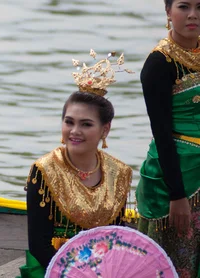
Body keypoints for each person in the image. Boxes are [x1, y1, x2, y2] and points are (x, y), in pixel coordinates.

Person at [19, 51, 133, 277]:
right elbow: (39, 244)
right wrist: (77, 272)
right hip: (52, 267)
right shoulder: (44, 170)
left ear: (105, 129)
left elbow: (117, 235)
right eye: (69, 122)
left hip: (104, 268)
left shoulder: (119, 173)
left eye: (86, 124)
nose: (75, 131)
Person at [136, 0, 200, 277]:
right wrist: (178, 196)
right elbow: (161, 134)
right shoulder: (158, 65)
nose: (193, 15)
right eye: (184, 7)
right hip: (172, 177)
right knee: (173, 265)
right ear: (168, 11)